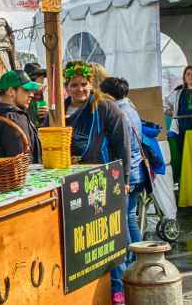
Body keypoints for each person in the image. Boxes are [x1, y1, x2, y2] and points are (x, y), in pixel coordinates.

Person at [60, 61, 130, 305]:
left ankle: (118, 289)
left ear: (91, 84)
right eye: (73, 85)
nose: (79, 89)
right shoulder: (58, 111)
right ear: (66, 87)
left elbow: (123, 143)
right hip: (73, 185)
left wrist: (125, 179)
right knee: (85, 244)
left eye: (83, 84)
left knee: (112, 239)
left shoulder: (106, 108)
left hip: (105, 183)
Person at [100, 77, 145, 254]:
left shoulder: (118, 113)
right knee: (131, 218)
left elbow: (122, 147)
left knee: (124, 220)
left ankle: (129, 260)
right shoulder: (130, 108)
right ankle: (140, 257)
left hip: (127, 173)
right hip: (136, 170)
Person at [0, 70, 43, 163]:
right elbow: (22, 160)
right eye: (26, 90)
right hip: (18, 175)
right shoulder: (16, 118)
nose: (31, 94)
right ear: (11, 92)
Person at [24, 62, 49, 126]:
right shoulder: (24, 98)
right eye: (41, 78)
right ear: (32, 79)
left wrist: (48, 115)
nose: (43, 81)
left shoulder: (43, 96)